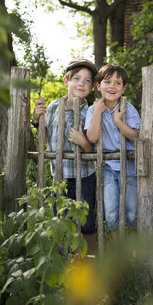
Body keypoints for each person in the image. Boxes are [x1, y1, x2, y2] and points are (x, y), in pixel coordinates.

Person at [32, 58, 97, 254]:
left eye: (87, 81)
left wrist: (83, 141)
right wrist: (36, 120)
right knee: (58, 220)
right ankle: (62, 261)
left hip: (84, 177)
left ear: (93, 86)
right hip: (58, 177)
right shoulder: (53, 107)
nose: (81, 84)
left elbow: (92, 151)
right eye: (77, 78)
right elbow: (44, 142)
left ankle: (89, 263)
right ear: (66, 81)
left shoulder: (92, 111)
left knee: (86, 222)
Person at [85, 64, 141, 234]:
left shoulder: (127, 108)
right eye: (107, 82)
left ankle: (132, 252)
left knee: (132, 213)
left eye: (118, 83)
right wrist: (97, 113)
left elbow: (136, 136)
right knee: (110, 214)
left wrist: (118, 122)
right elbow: (92, 138)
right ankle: (117, 250)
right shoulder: (92, 110)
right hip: (107, 167)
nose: (112, 86)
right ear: (98, 86)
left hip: (129, 167)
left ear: (123, 88)